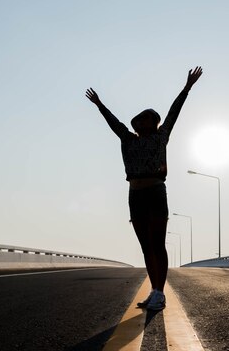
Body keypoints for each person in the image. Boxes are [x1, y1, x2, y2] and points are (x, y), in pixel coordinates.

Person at [85, 66, 203, 311]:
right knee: (146, 246)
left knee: (158, 244)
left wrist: (187, 88)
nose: (141, 119)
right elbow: (113, 122)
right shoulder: (128, 139)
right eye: (139, 117)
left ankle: (160, 292)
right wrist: (99, 104)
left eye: (146, 117)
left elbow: (174, 112)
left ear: (154, 122)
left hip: (155, 192)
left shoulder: (161, 137)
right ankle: (154, 290)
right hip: (135, 194)